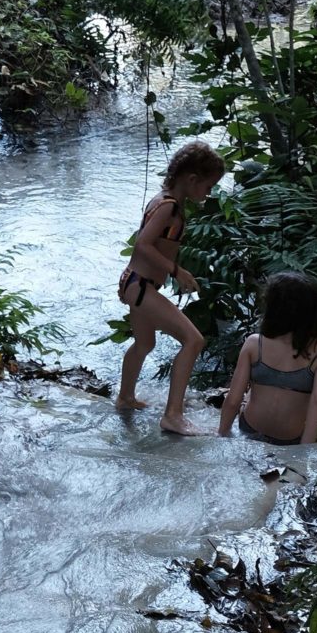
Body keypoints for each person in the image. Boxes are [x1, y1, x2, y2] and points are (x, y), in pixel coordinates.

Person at [115, 139, 225, 436]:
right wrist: (176, 270)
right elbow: (143, 244)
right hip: (141, 286)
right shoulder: (169, 207)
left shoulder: (162, 200)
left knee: (145, 343)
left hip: (135, 283)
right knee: (194, 340)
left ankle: (125, 397)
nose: (209, 192)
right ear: (191, 179)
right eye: (208, 185)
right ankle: (173, 415)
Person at [217, 271, 317, 447]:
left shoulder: (254, 343)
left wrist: (222, 434)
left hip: (250, 428)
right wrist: (305, 447)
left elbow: (233, 399)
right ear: (315, 311)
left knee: (249, 393)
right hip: (290, 437)